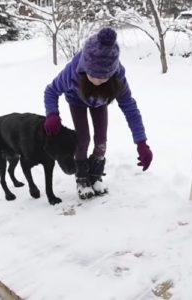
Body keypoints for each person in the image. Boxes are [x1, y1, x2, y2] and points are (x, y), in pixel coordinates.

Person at [42, 27, 153, 200]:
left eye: (104, 77)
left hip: (100, 101)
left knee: (101, 139)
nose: (98, 81)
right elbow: (51, 91)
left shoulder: (118, 76)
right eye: (93, 75)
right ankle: (82, 178)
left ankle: (95, 175)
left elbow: (130, 108)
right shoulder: (72, 72)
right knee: (83, 138)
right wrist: (52, 114)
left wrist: (142, 143)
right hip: (77, 100)